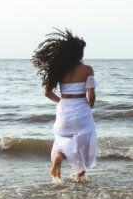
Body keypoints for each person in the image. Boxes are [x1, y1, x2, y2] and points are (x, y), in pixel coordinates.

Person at [32, 29, 97, 184]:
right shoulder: (87, 69)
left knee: (62, 142)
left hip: (64, 110)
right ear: (79, 54)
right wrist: (91, 105)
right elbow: (92, 94)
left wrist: (61, 101)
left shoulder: (59, 69)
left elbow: (46, 92)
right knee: (83, 143)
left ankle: (58, 159)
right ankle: (79, 178)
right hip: (81, 108)